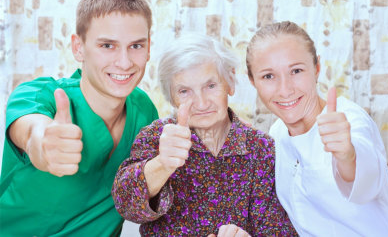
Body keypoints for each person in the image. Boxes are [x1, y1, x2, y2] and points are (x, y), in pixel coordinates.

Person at [0, 0, 158, 236]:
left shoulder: (144, 112)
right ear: (78, 47)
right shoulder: (41, 96)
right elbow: (32, 133)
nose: (124, 62)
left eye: (136, 46)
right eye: (107, 45)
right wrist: (43, 145)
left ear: (148, 48)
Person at [112, 33, 297, 236]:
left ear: (230, 83)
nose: (201, 103)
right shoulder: (156, 136)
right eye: (184, 91)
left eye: (210, 86)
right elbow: (126, 206)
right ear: (172, 97)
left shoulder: (261, 148)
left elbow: (278, 229)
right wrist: (162, 164)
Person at [246, 21, 388, 236]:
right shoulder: (277, 133)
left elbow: (364, 178)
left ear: (317, 68)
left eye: (296, 70)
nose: (285, 89)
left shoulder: (348, 119)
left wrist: (347, 155)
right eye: (268, 76)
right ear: (252, 81)